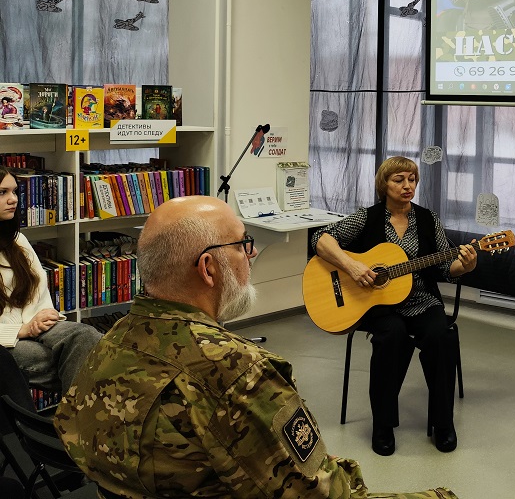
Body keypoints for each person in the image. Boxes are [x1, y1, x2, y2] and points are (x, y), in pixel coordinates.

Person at [53, 195, 458, 499]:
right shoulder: (241, 373)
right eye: (243, 244)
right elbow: (323, 493)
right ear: (208, 268)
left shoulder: (111, 338)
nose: (251, 255)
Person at [312, 156, 477, 456]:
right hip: (378, 305)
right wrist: (352, 267)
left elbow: (445, 268)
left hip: (422, 300)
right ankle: (383, 425)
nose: (407, 185)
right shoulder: (367, 217)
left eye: (412, 179)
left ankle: (443, 422)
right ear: (384, 184)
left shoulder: (428, 220)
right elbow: (320, 240)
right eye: (399, 180)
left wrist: (464, 267)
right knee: (392, 337)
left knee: (441, 336)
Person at [0, 166, 103, 393]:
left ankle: (76, 413)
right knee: (82, 361)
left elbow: (37, 288)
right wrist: (20, 331)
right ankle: (81, 414)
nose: (13, 199)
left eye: (14, 191)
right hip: (5, 338)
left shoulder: (17, 241)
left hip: (33, 326)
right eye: (2, 192)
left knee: (86, 335)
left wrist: (43, 316)